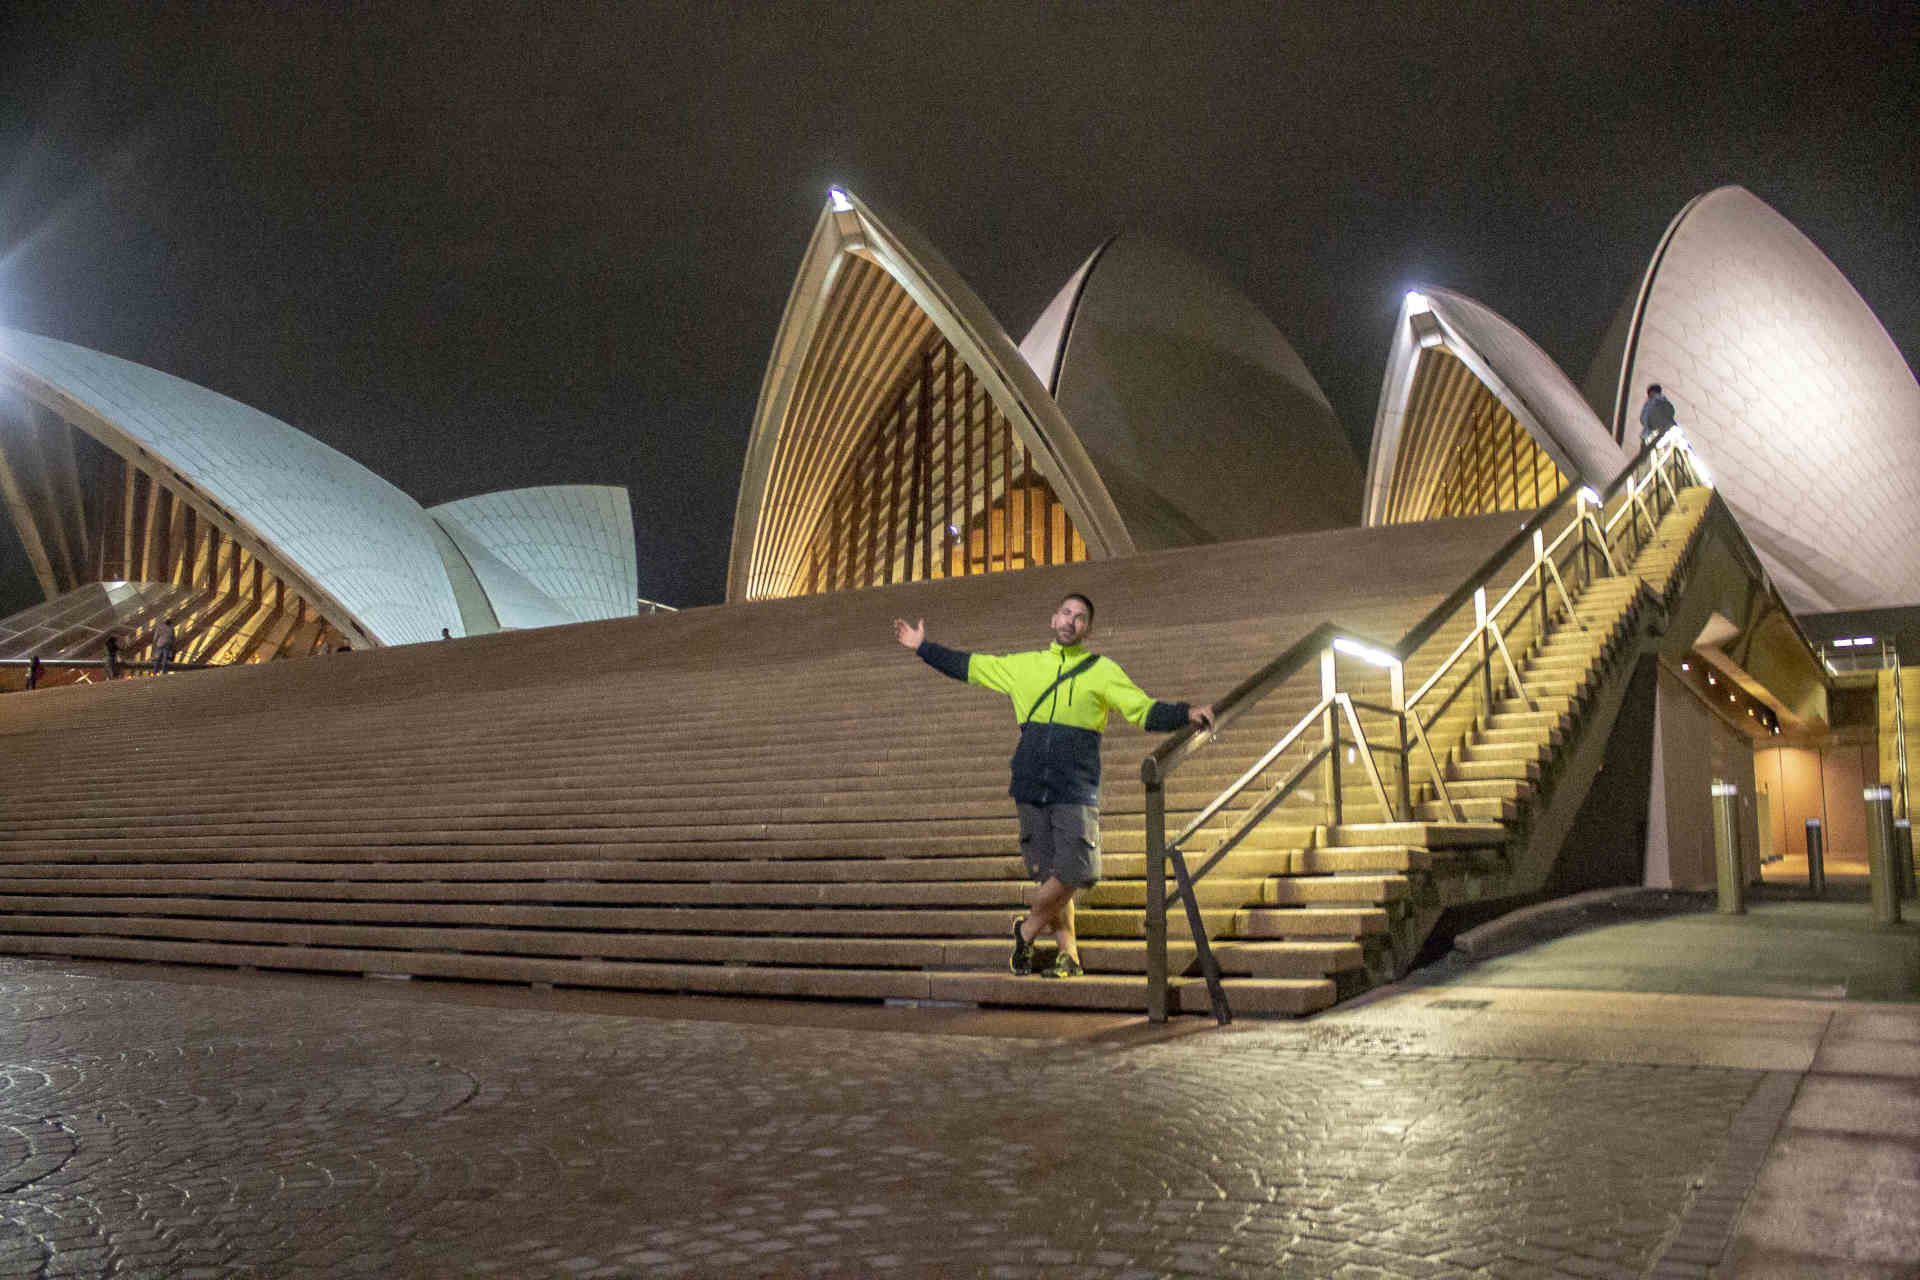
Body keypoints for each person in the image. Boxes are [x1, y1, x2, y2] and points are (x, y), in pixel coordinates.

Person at [893, 594, 1214, 979]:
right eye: (1065, 613)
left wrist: (1184, 713)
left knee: (1078, 871)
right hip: (1030, 783)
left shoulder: (1103, 670)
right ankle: (1069, 957)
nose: (1070, 621)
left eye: (1079, 617)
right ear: (1052, 620)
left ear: (1087, 629)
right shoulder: (1024, 666)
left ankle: (1025, 929)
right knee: (1052, 877)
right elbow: (968, 666)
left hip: (1075, 784)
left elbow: (1141, 709)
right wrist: (922, 647)